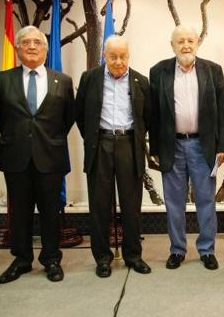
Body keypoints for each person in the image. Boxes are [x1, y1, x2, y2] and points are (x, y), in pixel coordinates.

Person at [0, 26, 74, 284]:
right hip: (16, 156)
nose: (31, 46)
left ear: (45, 49)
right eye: (25, 42)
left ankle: (51, 259)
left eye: (37, 42)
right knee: (20, 212)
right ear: (17, 48)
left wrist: (48, 139)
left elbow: (68, 118)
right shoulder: (3, 79)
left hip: (50, 156)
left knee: (51, 211)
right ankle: (22, 259)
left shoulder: (62, 80)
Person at [149, 25, 224, 270]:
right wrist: (155, 148)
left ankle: (207, 250)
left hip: (202, 146)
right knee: (174, 202)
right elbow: (154, 114)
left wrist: (223, 146)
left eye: (190, 41)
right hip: (171, 145)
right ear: (172, 45)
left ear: (197, 43)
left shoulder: (212, 71)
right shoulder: (158, 71)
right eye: (180, 41)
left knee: (206, 200)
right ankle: (177, 250)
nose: (185, 45)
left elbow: (223, 112)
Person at [75, 35, 151, 278]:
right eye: (113, 56)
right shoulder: (90, 78)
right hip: (101, 145)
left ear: (129, 56)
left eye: (123, 56)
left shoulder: (141, 81)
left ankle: (133, 255)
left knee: (131, 205)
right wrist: (94, 138)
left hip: (129, 145)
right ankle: (103, 258)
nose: (118, 61)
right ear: (105, 56)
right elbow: (80, 114)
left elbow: (148, 117)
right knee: (99, 205)